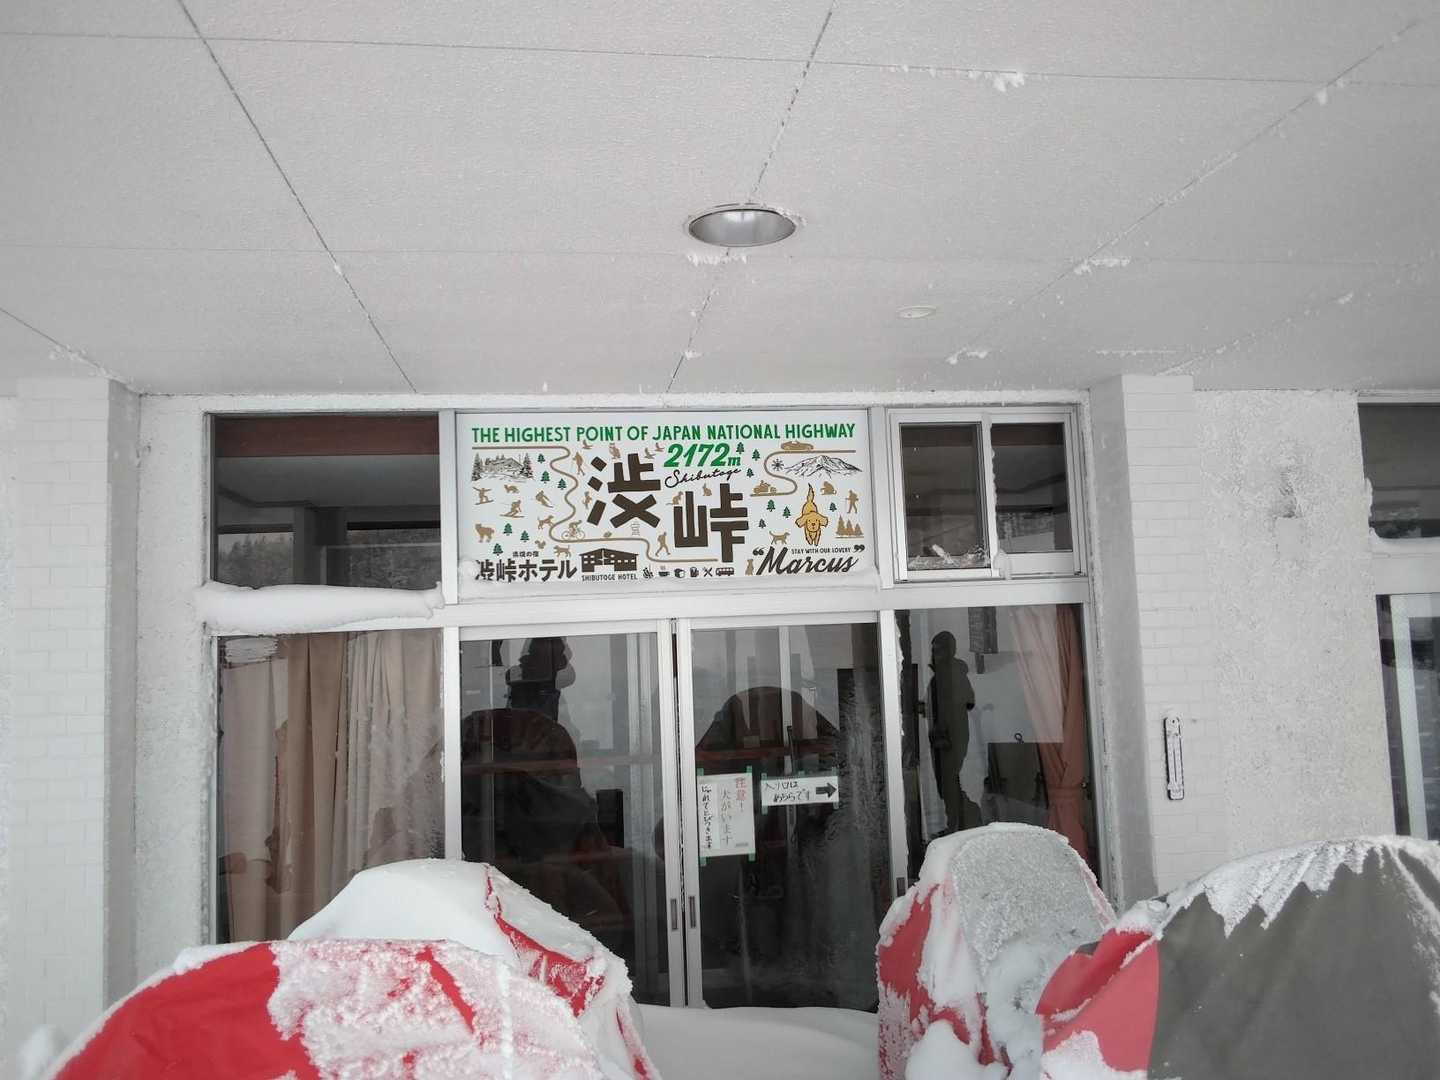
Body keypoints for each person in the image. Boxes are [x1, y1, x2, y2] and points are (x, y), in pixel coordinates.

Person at [928, 631, 982, 833]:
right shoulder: (942, 675)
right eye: (934, 650)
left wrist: (945, 727)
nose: (935, 655)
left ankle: (961, 822)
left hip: (950, 739)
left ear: (949, 650)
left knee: (948, 784)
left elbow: (968, 702)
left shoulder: (952, 674)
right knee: (946, 785)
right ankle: (960, 822)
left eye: (938, 650)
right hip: (944, 738)